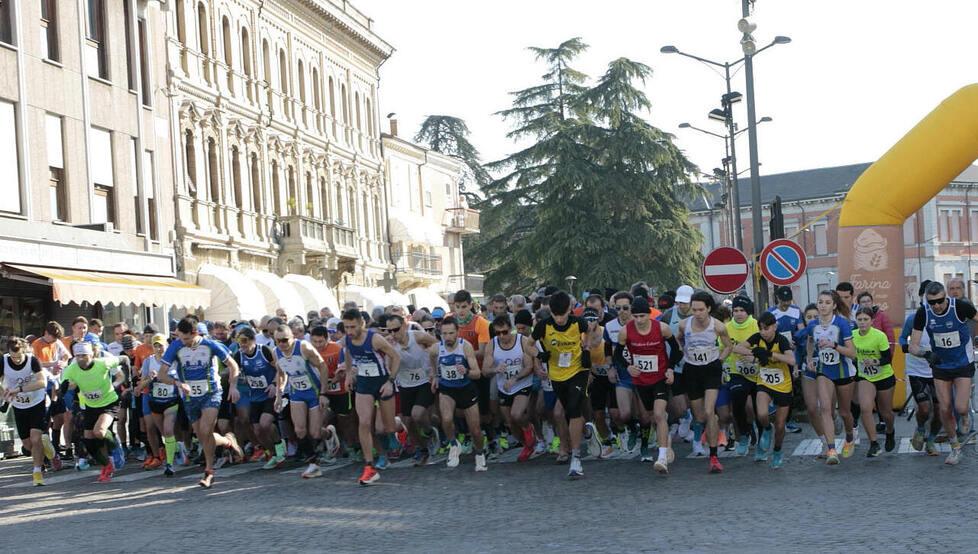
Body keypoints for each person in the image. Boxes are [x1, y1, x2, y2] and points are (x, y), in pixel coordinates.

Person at [156, 317, 243, 488]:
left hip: (211, 393)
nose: (184, 342)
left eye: (187, 339)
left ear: (195, 333)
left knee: (205, 430)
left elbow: (233, 365)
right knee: (203, 436)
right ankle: (228, 441)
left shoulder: (210, 345)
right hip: (189, 397)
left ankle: (209, 471)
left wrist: (233, 386)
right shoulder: (176, 346)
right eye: (181, 338)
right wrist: (178, 383)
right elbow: (162, 374)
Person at [909, 281, 978, 465]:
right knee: (944, 408)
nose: (937, 306)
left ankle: (964, 416)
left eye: (940, 301)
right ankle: (955, 448)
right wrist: (926, 353)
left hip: (963, 363)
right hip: (940, 365)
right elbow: (912, 346)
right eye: (932, 302)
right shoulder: (923, 312)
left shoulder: (961, 307)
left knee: (961, 407)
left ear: (945, 296)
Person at [616, 296, 682, 474]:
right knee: (653, 417)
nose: (639, 320)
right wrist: (628, 366)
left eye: (642, 316)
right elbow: (617, 355)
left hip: (660, 377)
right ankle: (665, 439)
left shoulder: (662, 328)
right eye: (636, 316)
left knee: (659, 414)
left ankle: (661, 458)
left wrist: (669, 369)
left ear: (649, 314)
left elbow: (676, 350)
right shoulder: (625, 332)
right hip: (641, 380)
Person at [342, 309, 402, 485]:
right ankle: (369, 467)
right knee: (365, 422)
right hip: (364, 384)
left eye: (353, 327)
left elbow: (396, 357)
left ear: (362, 324)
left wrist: (390, 381)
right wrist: (348, 374)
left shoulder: (375, 339)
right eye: (346, 327)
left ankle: (401, 426)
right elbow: (347, 354)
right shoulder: (347, 339)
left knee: (387, 428)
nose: (350, 331)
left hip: (382, 382)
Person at [532, 291, 589, 479]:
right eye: (556, 315)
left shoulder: (578, 322)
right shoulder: (543, 326)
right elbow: (528, 344)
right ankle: (586, 431)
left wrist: (586, 348)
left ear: (570, 310)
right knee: (568, 411)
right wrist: (539, 356)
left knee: (573, 408)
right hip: (556, 374)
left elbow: (591, 332)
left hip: (578, 371)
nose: (559, 319)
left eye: (562, 314)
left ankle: (576, 457)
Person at [678, 291, 733, 474]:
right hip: (692, 370)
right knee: (701, 417)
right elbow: (677, 340)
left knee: (709, 411)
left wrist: (720, 360)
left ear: (708, 309)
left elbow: (728, 346)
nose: (697, 313)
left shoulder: (717, 326)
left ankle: (714, 457)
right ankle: (713, 423)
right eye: (694, 309)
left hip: (711, 369)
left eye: (701, 310)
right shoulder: (684, 325)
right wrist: (682, 352)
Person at [733, 312, 795, 468]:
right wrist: (754, 353)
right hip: (764, 382)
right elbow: (737, 348)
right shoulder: (757, 338)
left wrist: (771, 354)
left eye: (766, 328)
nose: (763, 332)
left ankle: (777, 450)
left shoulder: (781, 340)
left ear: (774, 327)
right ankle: (767, 428)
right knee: (761, 413)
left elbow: (791, 360)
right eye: (760, 329)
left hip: (783, 385)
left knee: (780, 425)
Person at [805, 290, 858, 465]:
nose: (823, 305)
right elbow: (810, 341)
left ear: (834, 305)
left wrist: (834, 345)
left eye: (827, 302)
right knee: (825, 409)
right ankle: (831, 449)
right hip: (824, 370)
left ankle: (850, 436)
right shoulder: (813, 324)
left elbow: (852, 353)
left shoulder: (842, 324)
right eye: (820, 302)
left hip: (843, 370)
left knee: (844, 412)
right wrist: (810, 357)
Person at [61, 341, 127, 483]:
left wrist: (115, 385)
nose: (81, 359)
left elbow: (124, 360)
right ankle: (106, 465)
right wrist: (66, 387)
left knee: (100, 432)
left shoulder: (103, 362)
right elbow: (69, 385)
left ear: (91, 355)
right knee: (89, 442)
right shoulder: (72, 368)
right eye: (78, 356)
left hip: (109, 402)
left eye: (84, 356)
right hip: (90, 406)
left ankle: (115, 446)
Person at [429, 316, 487, 471]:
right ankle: (454, 444)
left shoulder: (465, 347)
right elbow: (432, 359)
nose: (447, 337)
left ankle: (480, 453)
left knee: (475, 429)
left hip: (466, 389)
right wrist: (435, 376)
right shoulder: (436, 348)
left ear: (457, 332)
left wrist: (466, 370)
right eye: (444, 333)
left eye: (451, 333)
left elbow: (477, 373)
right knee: (446, 419)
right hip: (447, 389)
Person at [273, 324, 330, 479]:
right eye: (278, 341)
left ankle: (329, 433)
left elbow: (323, 366)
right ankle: (314, 463)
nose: (282, 344)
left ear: (293, 338)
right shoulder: (276, 352)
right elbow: (281, 374)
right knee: (299, 430)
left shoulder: (304, 347)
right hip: (296, 393)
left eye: (285, 340)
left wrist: (324, 392)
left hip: (314, 391)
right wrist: (279, 395)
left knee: (315, 432)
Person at [1, 338, 58, 485]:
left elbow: (42, 382)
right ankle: (49, 452)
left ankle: (37, 473)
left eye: (19, 356)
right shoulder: (4, 361)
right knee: (27, 445)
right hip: (19, 406)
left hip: (36, 403)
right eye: (13, 357)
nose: (17, 360)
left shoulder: (32, 361)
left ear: (24, 351)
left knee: (35, 438)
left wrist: (18, 389)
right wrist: (4, 393)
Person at [385, 314, 439, 466]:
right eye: (389, 331)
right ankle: (423, 449)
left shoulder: (419, 337)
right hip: (405, 384)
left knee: (417, 414)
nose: (392, 334)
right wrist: (389, 350)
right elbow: (389, 367)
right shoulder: (389, 344)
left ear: (404, 326)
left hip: (424, 381)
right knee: (407, 422)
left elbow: (439, 347)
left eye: (395, 330)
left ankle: (429, 432)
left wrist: (434, 370)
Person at [484, 315, 537, 462]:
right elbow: (485, 370)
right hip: (504, 387)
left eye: (505, 332)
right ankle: (527, 445)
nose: (502, 336)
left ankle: (528, 429)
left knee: (516, 414)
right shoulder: (492, 344)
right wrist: (495, 369)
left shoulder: (522, 341)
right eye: (498, 333)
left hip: (522, 383)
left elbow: (529, 366)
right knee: (510, 422)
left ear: (511, 329)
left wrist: (515, 378)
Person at [234, 327, 288, 470]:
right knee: (258, 431)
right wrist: (233, 387)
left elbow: (279, 369)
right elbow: (234, 372)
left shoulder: (264, 351)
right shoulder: (239, 356)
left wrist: (274, 384)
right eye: (239, 342)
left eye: (245, 341)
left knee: (265, 423)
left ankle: (280, 447)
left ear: (253, 340)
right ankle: (273, 453)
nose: (242, 344)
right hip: (255, 397)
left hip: (269, 394)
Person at [900, 281, 941, 455]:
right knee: (924, 408)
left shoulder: (942, 316)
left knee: (940, 410)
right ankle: (920, 428)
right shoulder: (914, 318)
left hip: (938, 369)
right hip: (917, 369)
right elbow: (903, 339)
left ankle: (931, 440)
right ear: (922, 297)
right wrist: (905, 346)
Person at [852, 307, 896, 456]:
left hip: (884, 375)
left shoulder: (879, 336)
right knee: (865, 407)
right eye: (860, 320)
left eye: (866, 319)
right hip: (865, 377)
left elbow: (887, 359)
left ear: (872, 321)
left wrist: (875, 361)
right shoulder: (852, 336)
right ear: (856, 320)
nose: (863, 323)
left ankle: (890, 431)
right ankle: (874, 443)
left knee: (886, 413)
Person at [136, 334, 182, 476]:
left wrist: (170, 378)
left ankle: (169, 464)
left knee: (168, 430)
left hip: (171, 400)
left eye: (161, 345)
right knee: (159, 430)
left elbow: (181, 379)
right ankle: (173, 449)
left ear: (167, 346)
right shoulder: (148, 362)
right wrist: (150, 378)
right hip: (154, 401)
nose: (159, 348)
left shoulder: (174, 361)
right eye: (156, 345)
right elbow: (140, 385)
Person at [309, 325, 355, 463]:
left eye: (321, 341)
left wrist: (332, 380)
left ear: (327, 339)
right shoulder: (309, 352)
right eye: (315, 342)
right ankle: (330, 448)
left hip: (340, 390)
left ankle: (352, 448)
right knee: (322, 420)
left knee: (345, 421)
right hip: (323, 392)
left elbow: (342, 371)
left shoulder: (337, 349)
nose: (318, 345)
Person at [767, 286, 806, 434]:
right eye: (783, 301)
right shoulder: (771, 313)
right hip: (775, 355)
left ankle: (787, 421)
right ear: (777, 299)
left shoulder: (796, 311)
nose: (785, 304)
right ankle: (773, 418)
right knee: (773, 387)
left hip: (791, 352)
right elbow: (766, 332)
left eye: (788, 300)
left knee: (789, 389)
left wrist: (796, 339)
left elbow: (801, 330)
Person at [726, 296, 760, 455]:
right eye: (736, 310)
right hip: (736, 371)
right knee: (737, 399)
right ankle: (744, 435)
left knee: (758, 408)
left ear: (749, 312)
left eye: (742, 311)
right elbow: (722, 347)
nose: (739, 314)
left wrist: (753, 356)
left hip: (758, 372)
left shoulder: (757, 325)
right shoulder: (726, 327)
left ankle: (762, 434)